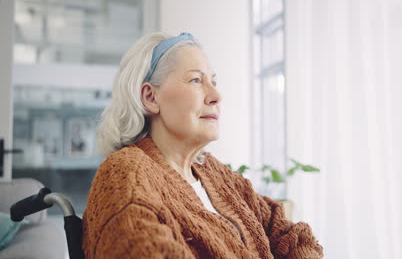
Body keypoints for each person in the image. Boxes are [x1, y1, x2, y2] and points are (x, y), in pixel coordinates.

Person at [82, 32, 323, 259]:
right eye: (196, 80)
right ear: (150, 97)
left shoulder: (212, 172)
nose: (216, 95)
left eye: (214, 81)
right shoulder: (125, 175)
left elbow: (289, 234)